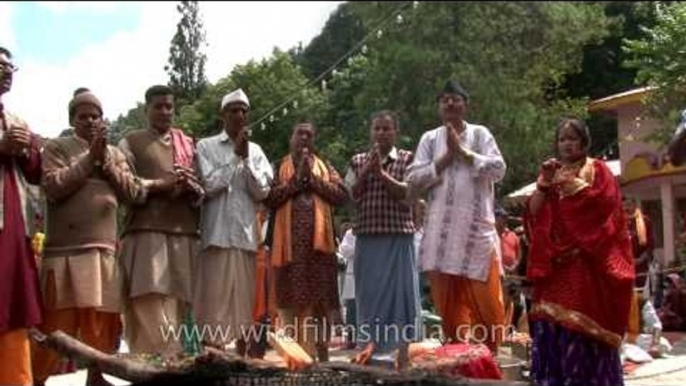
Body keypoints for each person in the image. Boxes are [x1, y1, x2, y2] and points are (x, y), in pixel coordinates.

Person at [33, 91, 140, 386]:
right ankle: (37, 378)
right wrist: (89, 157)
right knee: (55, 325)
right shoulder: (56, 147)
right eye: (83, 116)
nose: (90, 120)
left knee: (102, 324)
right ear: (72, 120)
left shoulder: (114, 153)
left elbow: (132, 194)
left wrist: (105, 161)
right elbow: (54, 187)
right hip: (64, 253)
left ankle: (97, 377)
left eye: (95, 115)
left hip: (103, 253)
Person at [525, 117, 634, 386]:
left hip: (585, 265)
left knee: (582, 330)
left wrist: (572, 188)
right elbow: (533, 214)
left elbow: (605, 205)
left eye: (573, 138)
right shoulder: (552, 173)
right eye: (562, 139)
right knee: (551, 326)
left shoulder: (598, 169)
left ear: (584, 142)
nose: (567, 144)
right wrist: (543, 183)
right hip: (555, 268)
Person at [407, 80, 506, 353]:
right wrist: (445, 159)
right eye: (445, 99)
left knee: (488, 303)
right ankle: (457, 359)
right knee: (447, 304)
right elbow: (414, 179)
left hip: (476, 234)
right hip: (441, 237)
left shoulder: (480, 134)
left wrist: (464, 153)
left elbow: (499, 169)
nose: (450, 103)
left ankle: (490, 359)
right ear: (439, 106)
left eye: (456, 99)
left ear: (465, 104)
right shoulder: (429, 139)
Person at [118, 85, 204, 354]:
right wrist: (161, 184)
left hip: (184, 232)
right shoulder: (130, 141)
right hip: (146, 232)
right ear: (146, 110)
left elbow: (203, 189)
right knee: (148, 299)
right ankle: (160, 364)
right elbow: (125, 186)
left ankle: (172, 363)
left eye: (169, 106)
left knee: (180, 305)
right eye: (158, 106)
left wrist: (192, 188)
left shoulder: (188, 144)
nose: (165, 111)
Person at [194, 88, 273, 356]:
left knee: (244, 306)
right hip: (215, 236)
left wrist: (246, 158)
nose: (239, 115)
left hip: (245, 239)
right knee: (212, 305)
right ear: (223, 115)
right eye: (233, 110)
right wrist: (234, 157)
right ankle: (211, 361)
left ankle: (241, 361)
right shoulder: (205, 146)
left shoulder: (257, 151)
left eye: (243, 110)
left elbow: (262, 191)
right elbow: (209, 185)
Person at [264, 120, 348, 362]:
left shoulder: (325, 166)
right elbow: (269, 198)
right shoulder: (277, 166)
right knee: (289, 307)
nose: (304, 138)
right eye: (299, 133)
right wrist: (295, 181)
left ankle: (322, 360)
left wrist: (311, 179)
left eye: (309, 135)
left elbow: (341, 195)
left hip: (319, 255)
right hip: (288, 255)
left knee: (320, 307)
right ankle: (296, 360)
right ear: (291, 137)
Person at [345, 110, 420, 366]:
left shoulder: (409, 159)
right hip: (367, 239)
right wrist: (367, 170)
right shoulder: (357, 160)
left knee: (402, 299)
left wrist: (381, 174)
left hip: (399, 237)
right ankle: (369, 356)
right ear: (371, 131)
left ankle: (402, 359)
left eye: (386, 129)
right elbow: (350, 195)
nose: (381, 133)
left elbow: (408, 194)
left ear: (395, 132)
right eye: (376, 128)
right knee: (369, 299)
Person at [0, 45, 43, 386]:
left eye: (10, 66)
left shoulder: (16, 121)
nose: (6, 71)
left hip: (13, 228)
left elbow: (35, 171)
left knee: (12, 301)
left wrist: (27, 148)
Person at [622, 196, 655, 343]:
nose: (626, 208)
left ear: (635, 205)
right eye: (624, 206)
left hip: (640, 264)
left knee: (640, 296)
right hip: (624, 265)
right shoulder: (620, 222)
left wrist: (640, 259)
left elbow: (650, 243)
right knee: (627, 296)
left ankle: (642, 325)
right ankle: (628, 326)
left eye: (629, 205)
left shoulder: (644, 221)